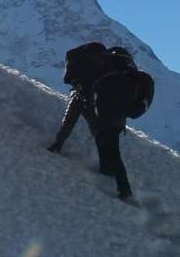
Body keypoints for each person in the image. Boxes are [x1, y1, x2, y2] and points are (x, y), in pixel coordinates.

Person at [45, 42, 136, 200]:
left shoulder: (81, 89)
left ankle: (124, 190)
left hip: (104, 121)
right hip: (118, 117)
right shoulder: (109, 75)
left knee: (112, 153)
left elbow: (70, 118)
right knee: (111, 152)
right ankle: (111, 181)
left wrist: (59, 142)